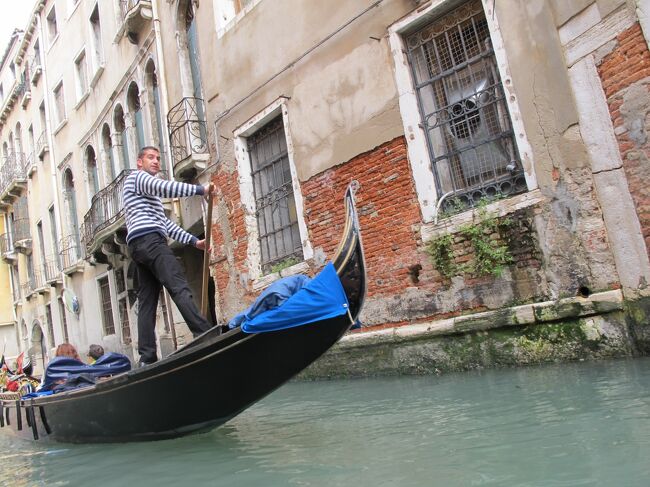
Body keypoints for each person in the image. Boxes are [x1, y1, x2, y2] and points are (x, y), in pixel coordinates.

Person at [123, 146, 215, 366]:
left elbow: (165, 224)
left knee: (147, 302)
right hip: (151, 242)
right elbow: (164, 187)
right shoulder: (137, 178)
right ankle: (205, 335)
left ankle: (147, 358)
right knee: (179, 286)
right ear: (139, 162)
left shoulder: (148, 196)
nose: (155, 161)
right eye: (150, 158)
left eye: (157, 158)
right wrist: (199, 190)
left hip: (138, 246)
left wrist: (194, 242)